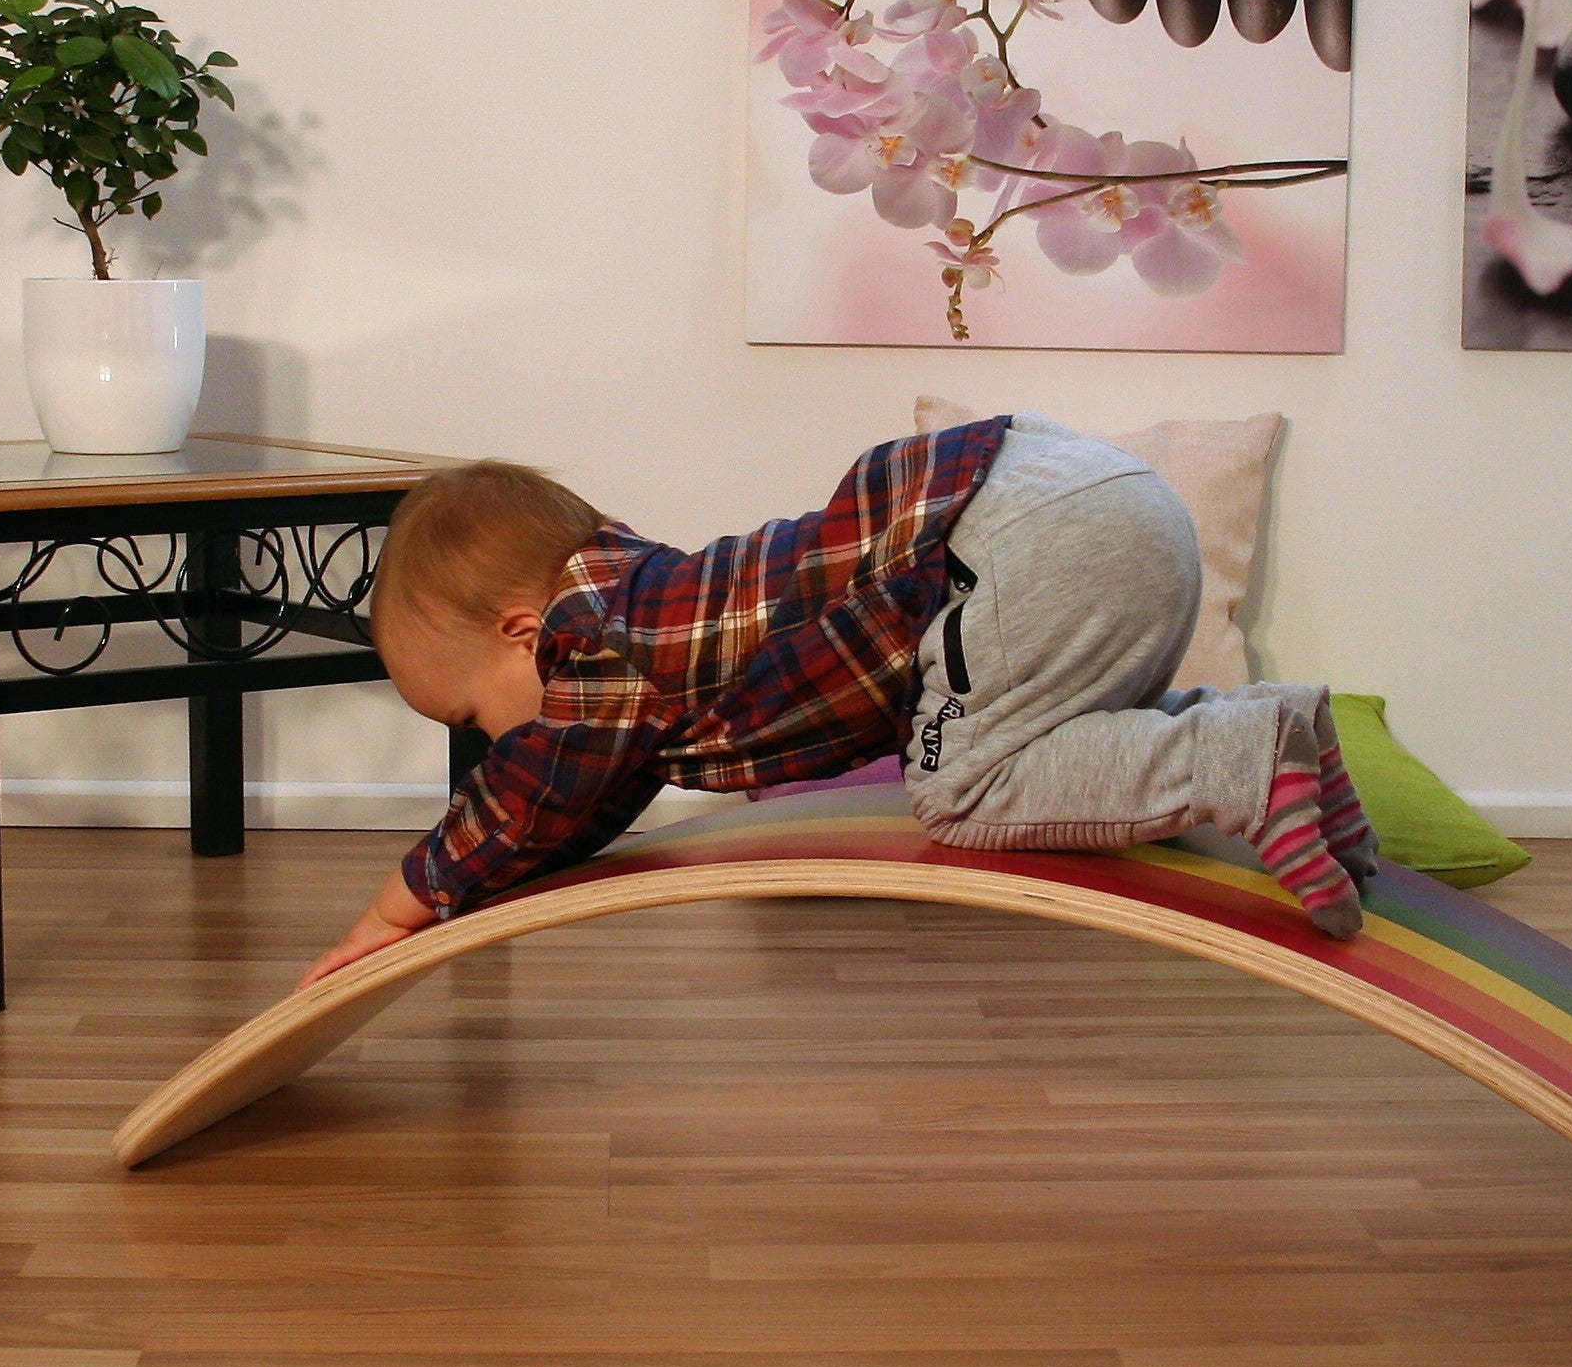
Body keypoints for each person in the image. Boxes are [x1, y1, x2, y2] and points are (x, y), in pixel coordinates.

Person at [299, 413, 1378, 989]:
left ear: (522, 632)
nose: (499, 744)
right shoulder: (649, 628)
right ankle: (1282, 728)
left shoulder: (602, 640)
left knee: (962, 791)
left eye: (476, 719)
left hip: (1011, 537)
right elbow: (591, 797)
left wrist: (396, 908)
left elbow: (537, 797)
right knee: (1049, 730)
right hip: (1103, 502)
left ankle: (1236, 759)